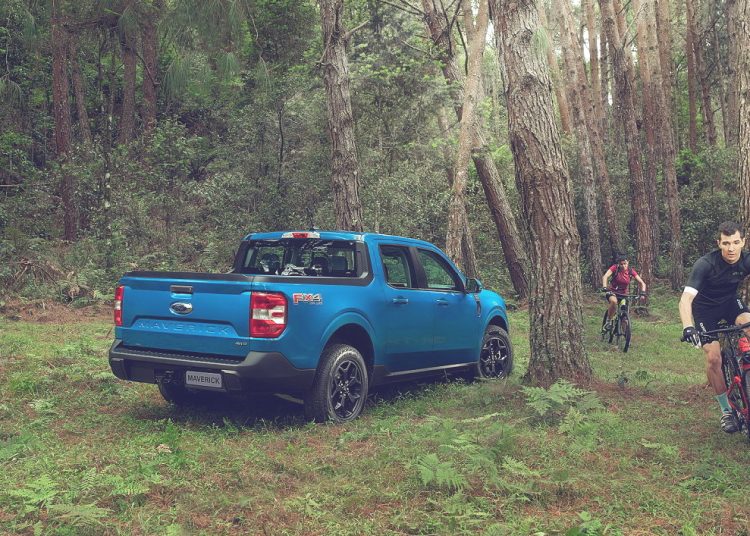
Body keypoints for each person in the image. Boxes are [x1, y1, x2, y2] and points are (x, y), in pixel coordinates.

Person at [679, 221, 750, 433]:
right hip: (705, 310)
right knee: (713, 358)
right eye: (726, 243)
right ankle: (726, 411)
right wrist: (688, 327)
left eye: (735, 242)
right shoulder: (706, 264)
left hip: (730, 303)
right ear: (719, 243)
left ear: (743, 242)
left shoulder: (746, 260)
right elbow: (686, 299)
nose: (731, 248)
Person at [601, 254, 647, 331]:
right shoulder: (615, 268)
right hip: (612, 292)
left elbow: (642, 283)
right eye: (621, 264)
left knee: (624, 311)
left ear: (628, 262)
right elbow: (605, 276)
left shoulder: (630, 271)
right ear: (618, 264)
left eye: (625, 263)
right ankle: (608, 322)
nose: (623, 266)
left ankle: (625, 332)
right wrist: (604, 287)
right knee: (614, 302)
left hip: (624, 294)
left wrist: (643, 292)